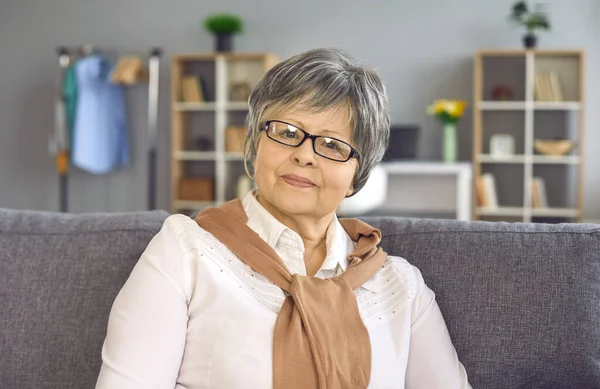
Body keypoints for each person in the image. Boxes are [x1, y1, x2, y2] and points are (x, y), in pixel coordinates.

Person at [95, 48, 471, 389]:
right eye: (287, 132)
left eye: (331, 145)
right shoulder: (185, 252)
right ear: (256, 143)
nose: (305, 155)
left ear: (357, 176)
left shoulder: (400, 287)